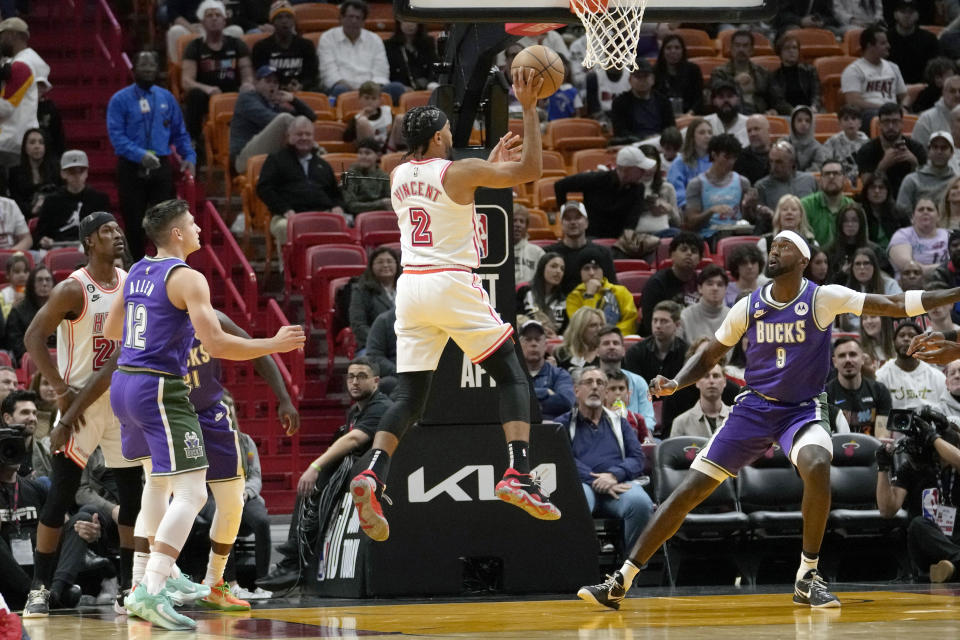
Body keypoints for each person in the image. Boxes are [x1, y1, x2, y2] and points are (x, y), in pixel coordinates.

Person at [577, 228, 960, 610]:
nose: (774, 251)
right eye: (772, 245)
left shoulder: (822, 298)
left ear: (804, 260)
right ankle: (620, 581)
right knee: (687, 492)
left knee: (817, 462)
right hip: (754, 409)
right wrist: (677, 382)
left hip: (803, 409)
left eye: (784, 247)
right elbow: (711, 354)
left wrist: (954, 291)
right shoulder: (748, 305)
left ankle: (807, 576)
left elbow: (892, 303)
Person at [347, 71, 562, 545]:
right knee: (512, 377)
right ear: (442, 135)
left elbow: (447, 196)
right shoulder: (457, 171)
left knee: (409, 398)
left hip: (412, 290)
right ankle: (518, 474)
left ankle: (373, 475)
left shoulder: (398, 173)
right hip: (450, 281)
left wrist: (484, 166)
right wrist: (527, 107)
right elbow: (530, 172)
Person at [101, 199, 304, 630]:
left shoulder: (137, 271)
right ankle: (150, 590)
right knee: (192, 495)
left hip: (124, 382)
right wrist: (275, 342)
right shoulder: (187, 277)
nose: (198, 229)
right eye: (192, 223)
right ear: (176, 233)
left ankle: (158, 579)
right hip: (158, 387)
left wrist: (159, 328)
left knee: (158, 485)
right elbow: (218, 346)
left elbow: (111, 331)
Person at [18, 214, 143, 618]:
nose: (117, 236)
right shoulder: (74, 288)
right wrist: (57, 388)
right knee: (57, 499)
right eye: (108, 232)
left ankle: (128, 588)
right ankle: (39, 588)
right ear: (90, 241)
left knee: (132, 500)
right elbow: (33, 337)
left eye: (118, 230)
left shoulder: (129, 282)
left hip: (120, 403)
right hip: (80, 408)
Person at [257, 358, 391, 591]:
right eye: (350, 377)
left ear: (376, 381)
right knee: (311, 487)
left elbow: (353, 439)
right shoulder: (355, 411)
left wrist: (315, 466)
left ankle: (294, 563)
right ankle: (294, 561)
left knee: (317, 479)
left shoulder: (380, 406)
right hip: (357, 472)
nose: (355, 382)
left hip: (377, 474)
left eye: (361, 376)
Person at [106, 51, 195, 261]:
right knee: (134, 223)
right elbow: (116, 136)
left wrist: (189, 156)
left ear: (157, 69)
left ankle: (166, 266)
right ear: (133, 69)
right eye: (142, 65)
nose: (147, 69)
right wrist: (139, 155)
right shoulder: (120, 100)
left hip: (160, 168)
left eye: (151, 65)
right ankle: (136, 267)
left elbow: (180, 133)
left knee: (165, 222)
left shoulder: (166, 98)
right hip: (131, 167)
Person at [555, 366, 654, 552]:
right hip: (582, 484)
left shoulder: (620, 423)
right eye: (588, 382)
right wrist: (596, 480)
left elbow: (637, 458)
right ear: (576, 390)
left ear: (606, 392)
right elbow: (562, 459)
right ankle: (583, 567)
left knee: (641, 503)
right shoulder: (563, 424)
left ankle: (630, 570)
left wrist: (614, 476)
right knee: (577, 500)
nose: (594, 387)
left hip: (618, 484)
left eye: (600, 383)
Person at [875, 411, 960, 583]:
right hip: (928, 545)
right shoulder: (913, 468)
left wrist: (933, 437)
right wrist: (883, 468)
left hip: (956, 538)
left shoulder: (955, 465)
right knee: (917, 525)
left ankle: (950, 569)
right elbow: (887, 510)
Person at [256, 116, 346, 259]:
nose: (304, 138)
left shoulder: (323, 164)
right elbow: (264, 189)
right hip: (288, 215)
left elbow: (335, 193)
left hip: (322, 214)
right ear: (289, 136)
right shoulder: (276, 160)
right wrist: (284, 209)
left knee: (348, 222)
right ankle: (290, 272)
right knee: (284, 227)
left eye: (308, 134)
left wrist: (337, 206)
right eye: (299, 134)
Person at [181, 0, 254, 144]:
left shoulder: (237, 44)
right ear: (202, 22)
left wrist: (247, 84)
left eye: (218, 15)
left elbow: (248, 74)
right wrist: (207, 89)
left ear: (224, 21)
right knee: (194, 95)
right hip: (207, 93)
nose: (214, 18)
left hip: (233, 92)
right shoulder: (194, 47)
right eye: (209, 15)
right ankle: (193, 140)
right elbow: (186, 81)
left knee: (251, 93)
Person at [554, 146, 658, 240]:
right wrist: (565, 214)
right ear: (626, 169)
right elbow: (560, 185)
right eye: (640, 169)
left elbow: (631, 224)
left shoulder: (639, 189)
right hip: (590, 238)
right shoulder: (597, 179)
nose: (644, 172)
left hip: (618, 241)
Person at [230, 65, 316, 175]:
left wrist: (293, 100)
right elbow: (269, 119)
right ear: (256, 83)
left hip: (270, 158)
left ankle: (317, 161)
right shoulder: (247, 99)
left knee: (299, 121)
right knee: (285, 119)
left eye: (275, 82)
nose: (272, 85)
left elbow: (311, 118)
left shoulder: (275, 106)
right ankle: (319, 153)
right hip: (243, 159)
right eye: (268, 81)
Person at [317, 0, 402, 103]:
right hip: (342, 88)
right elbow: (329, 74)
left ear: (363, 22)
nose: (354, 21)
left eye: (358, 18)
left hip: (372, 89)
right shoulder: (328, 38)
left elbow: (381, 72)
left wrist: (368, 90)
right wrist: (353, 91)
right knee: (339, 90)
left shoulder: (374, 39)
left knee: (397, 88)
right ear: (341, 18)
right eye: (350, 17)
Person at [32, 150, 111, 250]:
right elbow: (39, 234)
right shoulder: (51, 201)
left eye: (81, 171)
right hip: (57, 248)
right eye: (72, 171)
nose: (77, 176)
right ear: (63, 174)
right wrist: (43, 240)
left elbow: (107, 230)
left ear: (86, 173)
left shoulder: (100, 199)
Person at [683, 134, 751, 238]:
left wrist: (750, 206)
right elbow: (691, 223)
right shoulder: (697, 184)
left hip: (736, 235)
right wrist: (710, 211)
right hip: (709, 236)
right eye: (727, 157)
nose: (731, 162)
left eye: (734, 158)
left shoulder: (742, 182)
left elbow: (748, 218)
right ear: (714, 155)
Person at [544, 200, 617, 294]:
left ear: (586, 222)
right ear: (561, 224)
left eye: (578, 217)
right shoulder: (548, 253)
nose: (573, 222)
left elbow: (612, 287)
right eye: (568, 218)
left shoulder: (603, 253)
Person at [0, 18, 44, 173]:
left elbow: (5, 106)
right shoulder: (20, 62)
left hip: (11, 143)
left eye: (1, 36)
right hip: (14, 140)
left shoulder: (22, 65)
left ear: (11, 35)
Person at [856, 102, 927, 197]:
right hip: (879, 200)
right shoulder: (867, 150)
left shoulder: (916, 148)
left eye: (895, 121)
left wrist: (914, 164)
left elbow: (926, 183)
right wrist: (883, 165)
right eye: (886, 122)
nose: (890, 126)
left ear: (902, 124)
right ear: (879, 124)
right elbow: (866, 186)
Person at [638, 231, 702, 336]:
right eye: (684, 249)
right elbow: (650, 324)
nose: (689, 253)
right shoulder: (656, 284)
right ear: (672, 255)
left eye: (694, 251)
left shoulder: (702, 282)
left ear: (700, 259)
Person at [876, 320, 948, 413]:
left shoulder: (937, 377)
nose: (906, 339)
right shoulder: (881, 376)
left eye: (912, 336)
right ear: (894, 342)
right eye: (901, 335)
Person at [826, 337, 892, 437]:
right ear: (835, 362)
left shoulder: (879, 390)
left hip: (872, 451)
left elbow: (882, 438)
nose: (848, 360)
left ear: (862, 359)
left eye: (853, 354)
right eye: (842, 356)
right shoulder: (825, 394)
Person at [841, 26, 907, 125]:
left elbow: (903, 95)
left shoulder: (893, 67)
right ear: (869, 46)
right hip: (868, 113)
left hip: (893, 111)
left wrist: (904, 107)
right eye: (883, 43)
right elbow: (853, 102)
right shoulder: (853, 70)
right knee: (878, 117)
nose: (888, 46)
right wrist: (882, 108)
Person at [250, 1, 319, 92]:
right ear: (272, 22)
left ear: (294, 21)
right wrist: (282, 87)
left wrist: (301, 85)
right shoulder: (261, 47)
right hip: (271, 92)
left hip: (302, 92)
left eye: (288, 17)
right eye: (279, 17)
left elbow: (311, 75)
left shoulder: (306, 45)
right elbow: (261, 76)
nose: (284, 21)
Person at [565, 249, 637, 336]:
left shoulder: (621, 292)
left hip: (616, 340)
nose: (591, 273)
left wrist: (609, 335)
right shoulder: (573, 297)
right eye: (586, 268)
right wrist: (589, 296)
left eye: (595, 268)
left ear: (603, 270)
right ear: (580, 273)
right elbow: (580, 327)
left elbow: (630, 322)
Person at [596, 326, 655, 429]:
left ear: (624, 350)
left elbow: (649, 419)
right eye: (606, 343)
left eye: (616, 343)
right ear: (597, 351)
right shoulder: (588, 382)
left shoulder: (639, 382)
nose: (611, 346)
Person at [519, 319, 574, 422]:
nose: (533, 343)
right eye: (528, 339)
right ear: (519, 345)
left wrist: (522, 401)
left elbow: (566, 403)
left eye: (538, 339)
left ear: (545, 345)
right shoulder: (512, 375)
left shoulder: (559, 374)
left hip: (550, 433)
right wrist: (545, 392)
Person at [710, 30, 775, 115]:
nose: (741, 49)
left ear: (752, 50)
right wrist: (734, 82)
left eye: (745, 46)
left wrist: (772, 110)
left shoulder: (763, 73)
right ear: (731, 49)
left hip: (758, 115)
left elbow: (774, 99)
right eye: (737, 45)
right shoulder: (719, 72)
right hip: (730, 115)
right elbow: (716, 93)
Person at [896, 131, 958, 217]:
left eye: (944, 148)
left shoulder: (956, 183)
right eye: (935, 147)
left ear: (951, 153)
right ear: (928, 151)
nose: (939, 151)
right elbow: (902, 212)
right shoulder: (912, 180)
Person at [349, 246, 399, 351]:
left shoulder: (408, 288)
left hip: (407, 345)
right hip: (374, 346)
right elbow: (359, 326)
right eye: (380, 262)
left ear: (397, 265)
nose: (385, 265)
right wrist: (381, 341)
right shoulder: (361, 290)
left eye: (389, 261)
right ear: (371, 266)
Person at [610, 60, 675, 140]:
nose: (642, 80)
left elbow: (671, 129)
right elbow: (620, 132)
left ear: (653, 79)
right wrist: (644, 138)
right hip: (632, 144)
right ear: (630, 80)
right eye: (638, 77)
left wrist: (659, 138)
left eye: (645, 76)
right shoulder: (619, 102)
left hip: (660, 142)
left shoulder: (664, 101)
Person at [826, 203, 890, 282]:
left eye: (854, 220)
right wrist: (842, 273)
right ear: (839, 224)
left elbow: (887, 276)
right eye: (845, 221)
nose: (850, 224)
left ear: (861, 224)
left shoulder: (875, 250)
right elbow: (826, 283)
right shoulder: (830, 251)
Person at [888, 198, 950, 277]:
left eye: (930, 209)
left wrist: (925, 269)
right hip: (911, 285)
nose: (925, 212)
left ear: (938, 216)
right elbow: (910, 268)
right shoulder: (902, 235)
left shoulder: (949, 235)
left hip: (947, 285)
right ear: (912, 217)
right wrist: (947, 268)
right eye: (921, 210)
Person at [7, 128, 59, 219]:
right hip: (24, 217)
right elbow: (15, 201)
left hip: (51, 216)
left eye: (41, 142)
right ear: (25, 148)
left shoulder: (55, 169)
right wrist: (32, 209)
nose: (37, 146)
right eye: (32, 142)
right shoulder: (15, 172)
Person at [670, 360, 731, 437]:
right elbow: (674, 449)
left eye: (716, 376)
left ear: (724, 382)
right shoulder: (681, 422)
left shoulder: (737, 419)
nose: (711, 381)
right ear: (697, 382)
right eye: (706, 376)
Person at [800, 159, 854, 247]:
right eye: (827, 174)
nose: (831, 177)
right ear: (820, 180)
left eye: (836, 173)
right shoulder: (805, 205)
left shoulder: (852, 207)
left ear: (844, 179)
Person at [886, 0, 940, 86]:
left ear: (917, 15)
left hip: (922, 88)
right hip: (890, 86)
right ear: (895, 15)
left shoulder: (930, 39)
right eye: (903, 12)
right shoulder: (884, 39)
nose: (907, 15)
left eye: (911, 12)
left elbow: (935, 69)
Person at [6, 265, 52, 364]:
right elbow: (16, 346)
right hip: (30, 361)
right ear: (31, 284)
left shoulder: (61, 309)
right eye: (39, 280)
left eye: (48, 280)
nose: (44, 284)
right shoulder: (17, 312)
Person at [755, 139, 817, 210]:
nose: (773, 167)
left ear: (792, 162)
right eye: (771, 161)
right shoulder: (762, 187)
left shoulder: (809, 180)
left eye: (779, 162)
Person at [769, 33, 822, 115]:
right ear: (780, 53)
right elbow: (778, 101)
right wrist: (794, 112)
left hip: (811, 112)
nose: (791, 51)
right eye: (787, 48)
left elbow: (816, 94)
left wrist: (814, 107)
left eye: (794, 48)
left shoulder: (810, 71)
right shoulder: (774, 76)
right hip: (788, 114)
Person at [516, 252, 567, 336]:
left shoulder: (563, 300)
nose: (558, 271)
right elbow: (514, 318)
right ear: (542, 268)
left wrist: (556, 338)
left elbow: (565, 332)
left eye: (562, 269)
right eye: (554, 266)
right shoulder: (524, 291)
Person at [652, 34, 703, 116]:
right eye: (668, 48)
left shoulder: (694, 70)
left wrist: (688, 115)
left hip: (689, 116)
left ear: (683, 50)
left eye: (677, 48)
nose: (673, 51)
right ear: (662, 52)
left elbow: (699, 99)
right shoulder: (655, 72)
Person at [668, 117, 712, 210]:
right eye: (702, 132)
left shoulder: (716, 160)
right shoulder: (680, 162)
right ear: (692, 137)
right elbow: (676, 193)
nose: (707, 136)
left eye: (710, 132)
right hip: (688, 210)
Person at [680, 264, 731, 343]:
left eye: (720, 284)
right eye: (710, 284)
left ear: (726, 289)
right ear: (700, 288)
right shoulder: (685, 316)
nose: (715, 288)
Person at [384, 21, 438, 93]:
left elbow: (434, 67)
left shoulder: (428, 43)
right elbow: (389, 73)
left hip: (427, 87)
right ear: (399, 23)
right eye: (405, 21)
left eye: (413, 21)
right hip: (402, 89)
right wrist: (403, 87)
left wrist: (431, 84)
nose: (409, 24)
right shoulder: (389, 45)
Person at [342, 138, 392, 215]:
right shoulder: (350, 175)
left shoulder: (384, 176)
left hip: (379, 216)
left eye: (367, 153)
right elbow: (350, 205)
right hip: (356, 217)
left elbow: (390, 202)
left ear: (378, 156)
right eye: (360, 153)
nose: (363, 156)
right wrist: (380, 204)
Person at [857, 171, 902, 248]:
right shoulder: (859, 213)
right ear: (866, 191)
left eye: (881, 187)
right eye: (872, 187)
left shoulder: (899, 214)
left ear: (887, 192)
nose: (877, 191)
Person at [823, 106, 870, 180]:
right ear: (839, 124)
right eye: (846, 119)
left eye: (854, 118)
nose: (850, 122)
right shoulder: (832, 142)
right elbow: (826, 163)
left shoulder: (867, 143)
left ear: (860, 123)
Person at [912, 76, 960, 148]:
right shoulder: (926, 119)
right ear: (943, 93)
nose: (957, 95)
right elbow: (919, 151)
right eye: (952, 91)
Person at [343, 81, 393, 150]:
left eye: (373, 98)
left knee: (400, 119)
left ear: (379, 100)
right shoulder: (357, 118)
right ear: (360, 99)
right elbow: (347, 138)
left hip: (388, 149)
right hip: (368, 152)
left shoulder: (387, 111)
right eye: (366, 98)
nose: (370, 101)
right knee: (362, 121)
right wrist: (358, 120)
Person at [704, 81, 749, 147]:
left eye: (730, 96)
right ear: (714, 101)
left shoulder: (749, 124)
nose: (726, 100)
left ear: (738, 100)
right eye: (721, 97)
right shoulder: (705, 123)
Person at [786, 106, 827, 173]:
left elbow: (818, 165)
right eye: (799, 120)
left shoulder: (816, 147)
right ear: (793, 123)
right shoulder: (784, 142)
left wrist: (802, 177)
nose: (803, 123)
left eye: (807, 121)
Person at [733, 114, 771, 186]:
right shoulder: (740, 158)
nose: (752, 134)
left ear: (768, 131)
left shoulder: (780, 154)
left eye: (756, 129)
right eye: (749, 131)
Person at [513, 204, 544, 285]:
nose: (518, 225)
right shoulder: (497, 252)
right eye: (514, 220)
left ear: (526, 226)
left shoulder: (537, 252)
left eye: (521, 221)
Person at [0, 252, 28, 318]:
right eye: (17, 271)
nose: (22, 275)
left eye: (25, 271)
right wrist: (13, 305)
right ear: (7, 275)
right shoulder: (3, 295)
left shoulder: (32, 292)